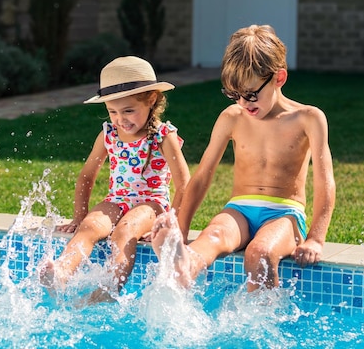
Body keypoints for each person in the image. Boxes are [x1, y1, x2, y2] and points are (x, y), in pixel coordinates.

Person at [151, 25, 336, 292]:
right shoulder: (232, 118)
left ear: (279, 78)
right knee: (212, 235)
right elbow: (202, 177)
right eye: (234, 94)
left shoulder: (308, 119)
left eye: (251, 94)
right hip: (239, 208)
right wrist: (181, 228)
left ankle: (261, 322)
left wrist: (316, 238)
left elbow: (325, 181)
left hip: (285, 213)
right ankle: (183, 266)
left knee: (260, 252)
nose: (243, 103)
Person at [40, 56, 191, 300]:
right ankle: (61, 274)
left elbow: (184, 182)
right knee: (90, 226)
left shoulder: (163, 135)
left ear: (151, 100)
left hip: (151, 204)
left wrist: (171, 223)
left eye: (128, 110)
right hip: (116, 199)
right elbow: (87, 176)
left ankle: (109, 290)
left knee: (125, 230)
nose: (121, 119)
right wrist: (79, 216)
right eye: (113, 111)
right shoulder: (109, 134)